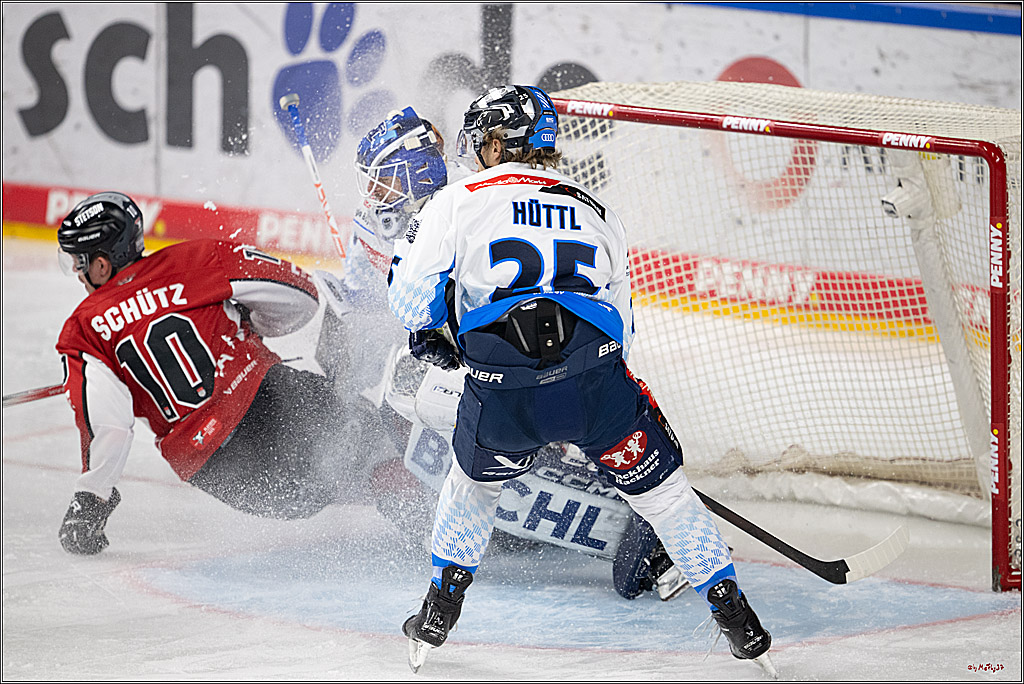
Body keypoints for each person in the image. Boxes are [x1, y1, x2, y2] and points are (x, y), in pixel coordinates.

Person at [387, 85, 774, 673]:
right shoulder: (598, 210)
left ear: (493, 142)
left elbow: (413, 307)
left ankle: (438, 616)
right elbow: (621, 326)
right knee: (669, 499)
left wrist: (439, 332)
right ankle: (741, 624)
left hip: (503, 394)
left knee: (472, 489)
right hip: (596, 393)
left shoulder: (455, 200)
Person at [352, 106, 688, 603]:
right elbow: (367, 294)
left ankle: (632, 506)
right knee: (408, 418)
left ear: (411, 173)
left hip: (524, 361)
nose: (373, 196)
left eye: (381, 183)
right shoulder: (384, 221)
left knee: (447, 404)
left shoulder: (467, 201)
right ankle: (527, 490)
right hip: (492, 366)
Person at [53, 191, 393, 555]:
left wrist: (90, 501)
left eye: (79, 262)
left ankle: (402, 499)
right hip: (272, 401)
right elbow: (302, 296)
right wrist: (248, 324)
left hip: (225, 472)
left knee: (321, 484)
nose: (77, 273)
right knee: (379, 453)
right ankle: (439, 533)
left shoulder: (84, 330)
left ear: (102, 265)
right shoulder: (195, 259)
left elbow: (108, 426)